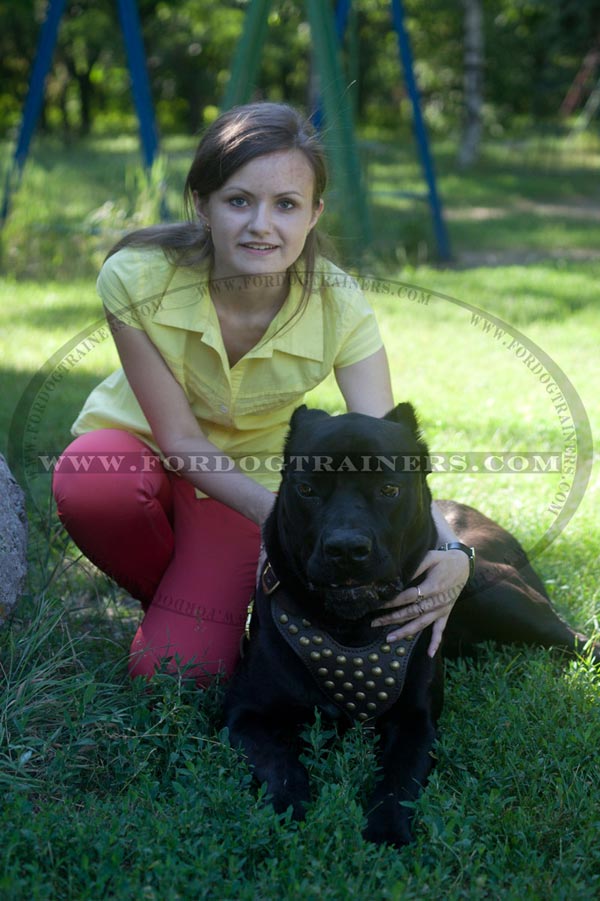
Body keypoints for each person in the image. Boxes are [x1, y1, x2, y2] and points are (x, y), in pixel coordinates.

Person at [52, 102, 470, 686]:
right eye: (239, 200)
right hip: (140, 456)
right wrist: (285, 522)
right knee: (93, 480)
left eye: (287, 205)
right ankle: (192, 598)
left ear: (314, 214)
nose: (261, 226)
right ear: (203, 204)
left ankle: (202, 607)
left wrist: (453, 552)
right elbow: (178, 439)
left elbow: (388, 449)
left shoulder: (340, 304)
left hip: (243, 485)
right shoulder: (137, 276)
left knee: (178, 673)